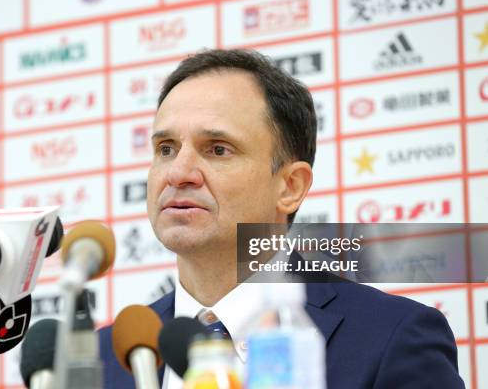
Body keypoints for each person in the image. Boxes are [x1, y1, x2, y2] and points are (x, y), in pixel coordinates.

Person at [98, 49, 464, 388]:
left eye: (218, 149)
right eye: (166, 149)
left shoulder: (390, 338)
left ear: (290, 186)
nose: (178, 173)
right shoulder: (105, 358)